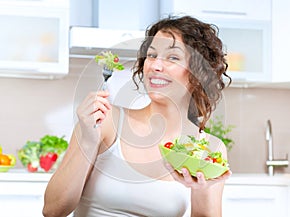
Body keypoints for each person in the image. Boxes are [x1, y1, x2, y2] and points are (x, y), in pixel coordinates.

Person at [43, 15, 232, 217]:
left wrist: (199, 189)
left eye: (173, 57)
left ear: (198, 75)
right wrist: (88, 141)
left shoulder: (208, 148)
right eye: (151, 55)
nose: (155, 66)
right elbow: (53, 210)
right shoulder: (104, 121)